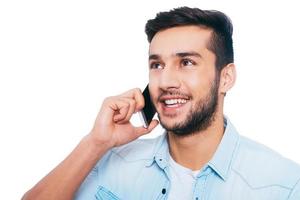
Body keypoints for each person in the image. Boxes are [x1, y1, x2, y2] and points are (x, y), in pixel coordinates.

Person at [22, 7, 300, 200]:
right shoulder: (115, 161)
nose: (165, 80)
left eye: (187, 62)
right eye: (157, 64)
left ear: (225, 78)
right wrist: (96, 142)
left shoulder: (283, 183)